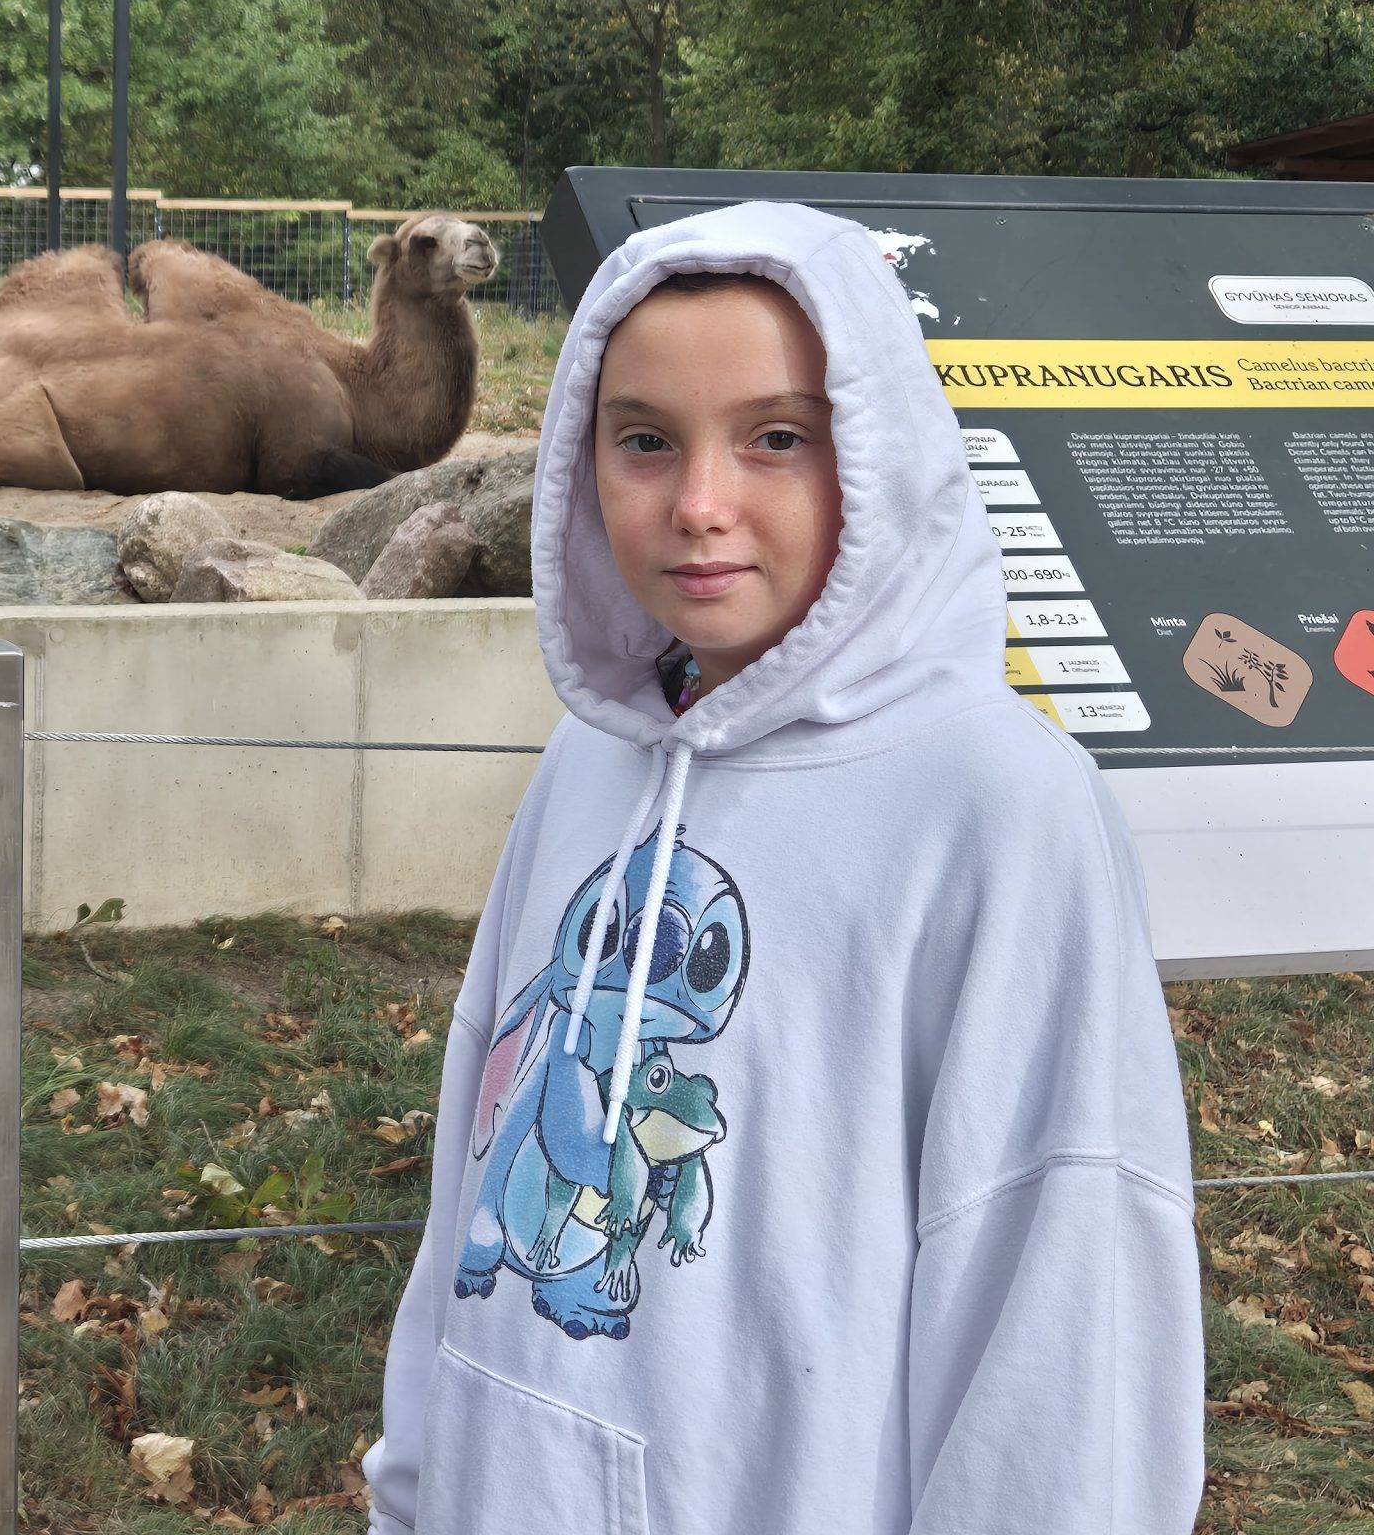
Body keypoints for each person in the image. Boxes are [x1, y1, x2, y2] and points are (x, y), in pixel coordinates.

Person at [362, 201, 1203, 1533]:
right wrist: (413, 1491)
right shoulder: (592, 766)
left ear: (876, 449)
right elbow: (478, 1141)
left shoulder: (1002, 812)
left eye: (777, 439)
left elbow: (1060, 1311)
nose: (701, 505)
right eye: (644, 440)